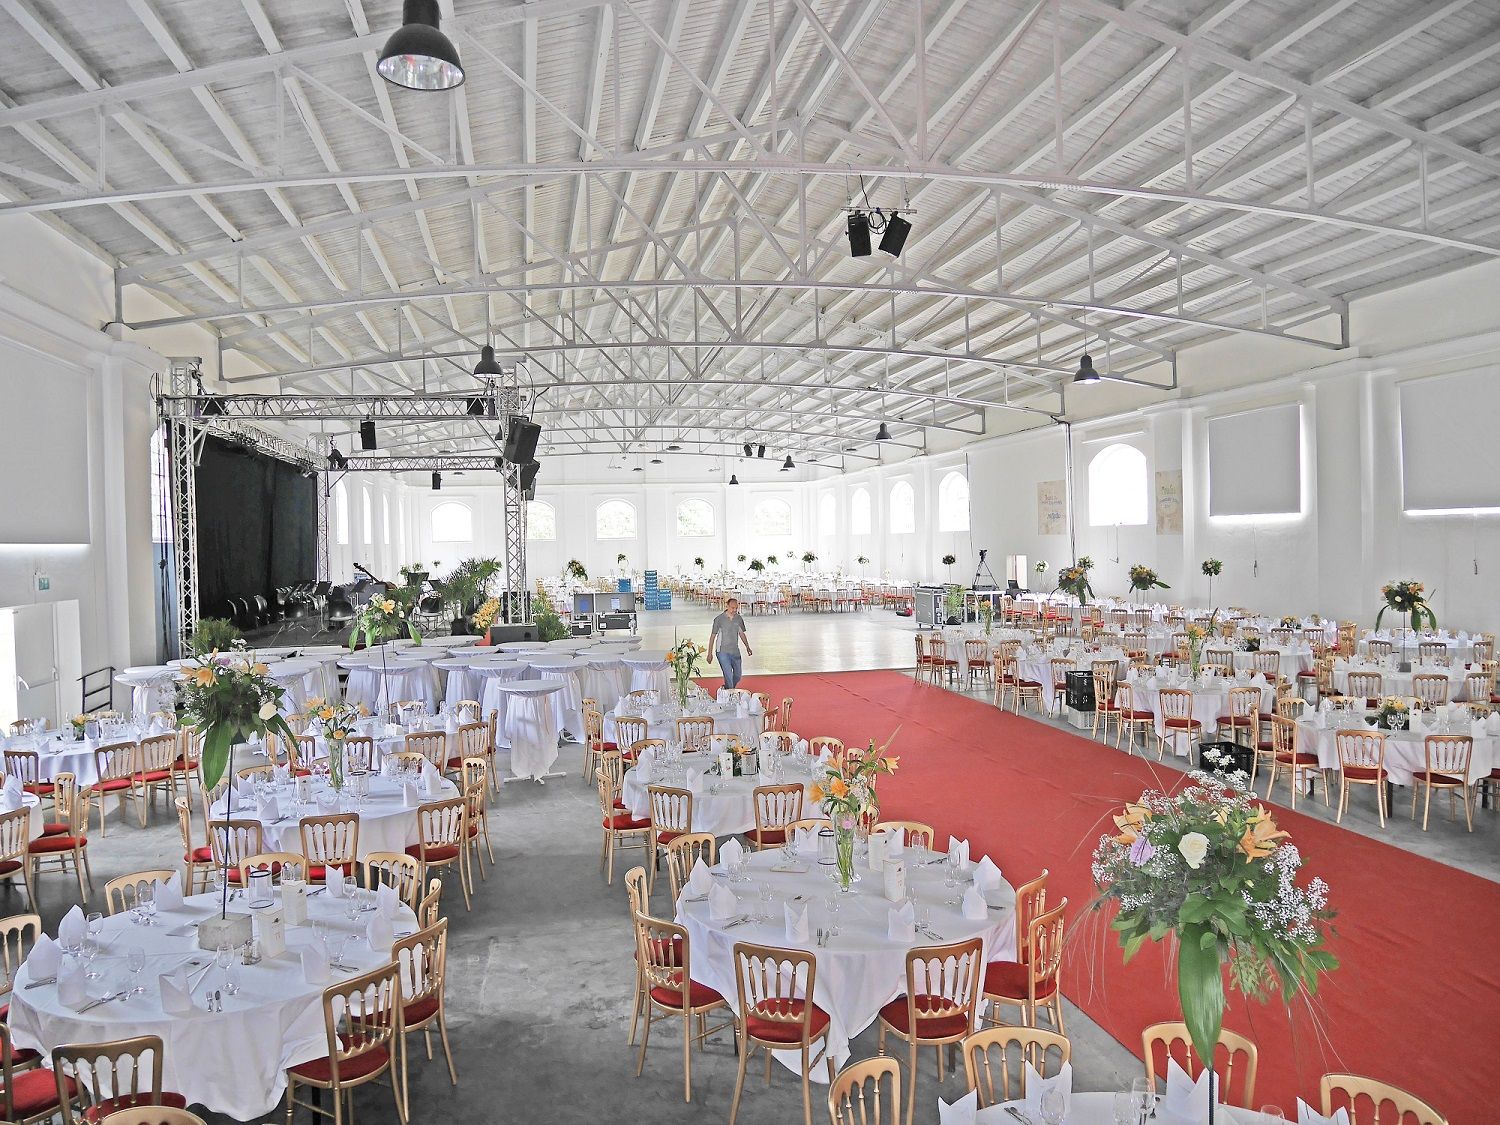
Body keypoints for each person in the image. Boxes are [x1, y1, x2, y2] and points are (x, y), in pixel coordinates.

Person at [708, 598, 753, 689]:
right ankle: (730, 693)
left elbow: (741, 633)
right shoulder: (719, 619)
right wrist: (709, 653)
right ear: (727, 606)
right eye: (732, 608)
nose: (734, 610)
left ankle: (727, 690)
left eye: (736, 608)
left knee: (738, 675)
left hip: (735, 651)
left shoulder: (738, 619)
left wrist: (747, 647)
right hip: (722, 651)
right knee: (728, 675)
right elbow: (712, 637)